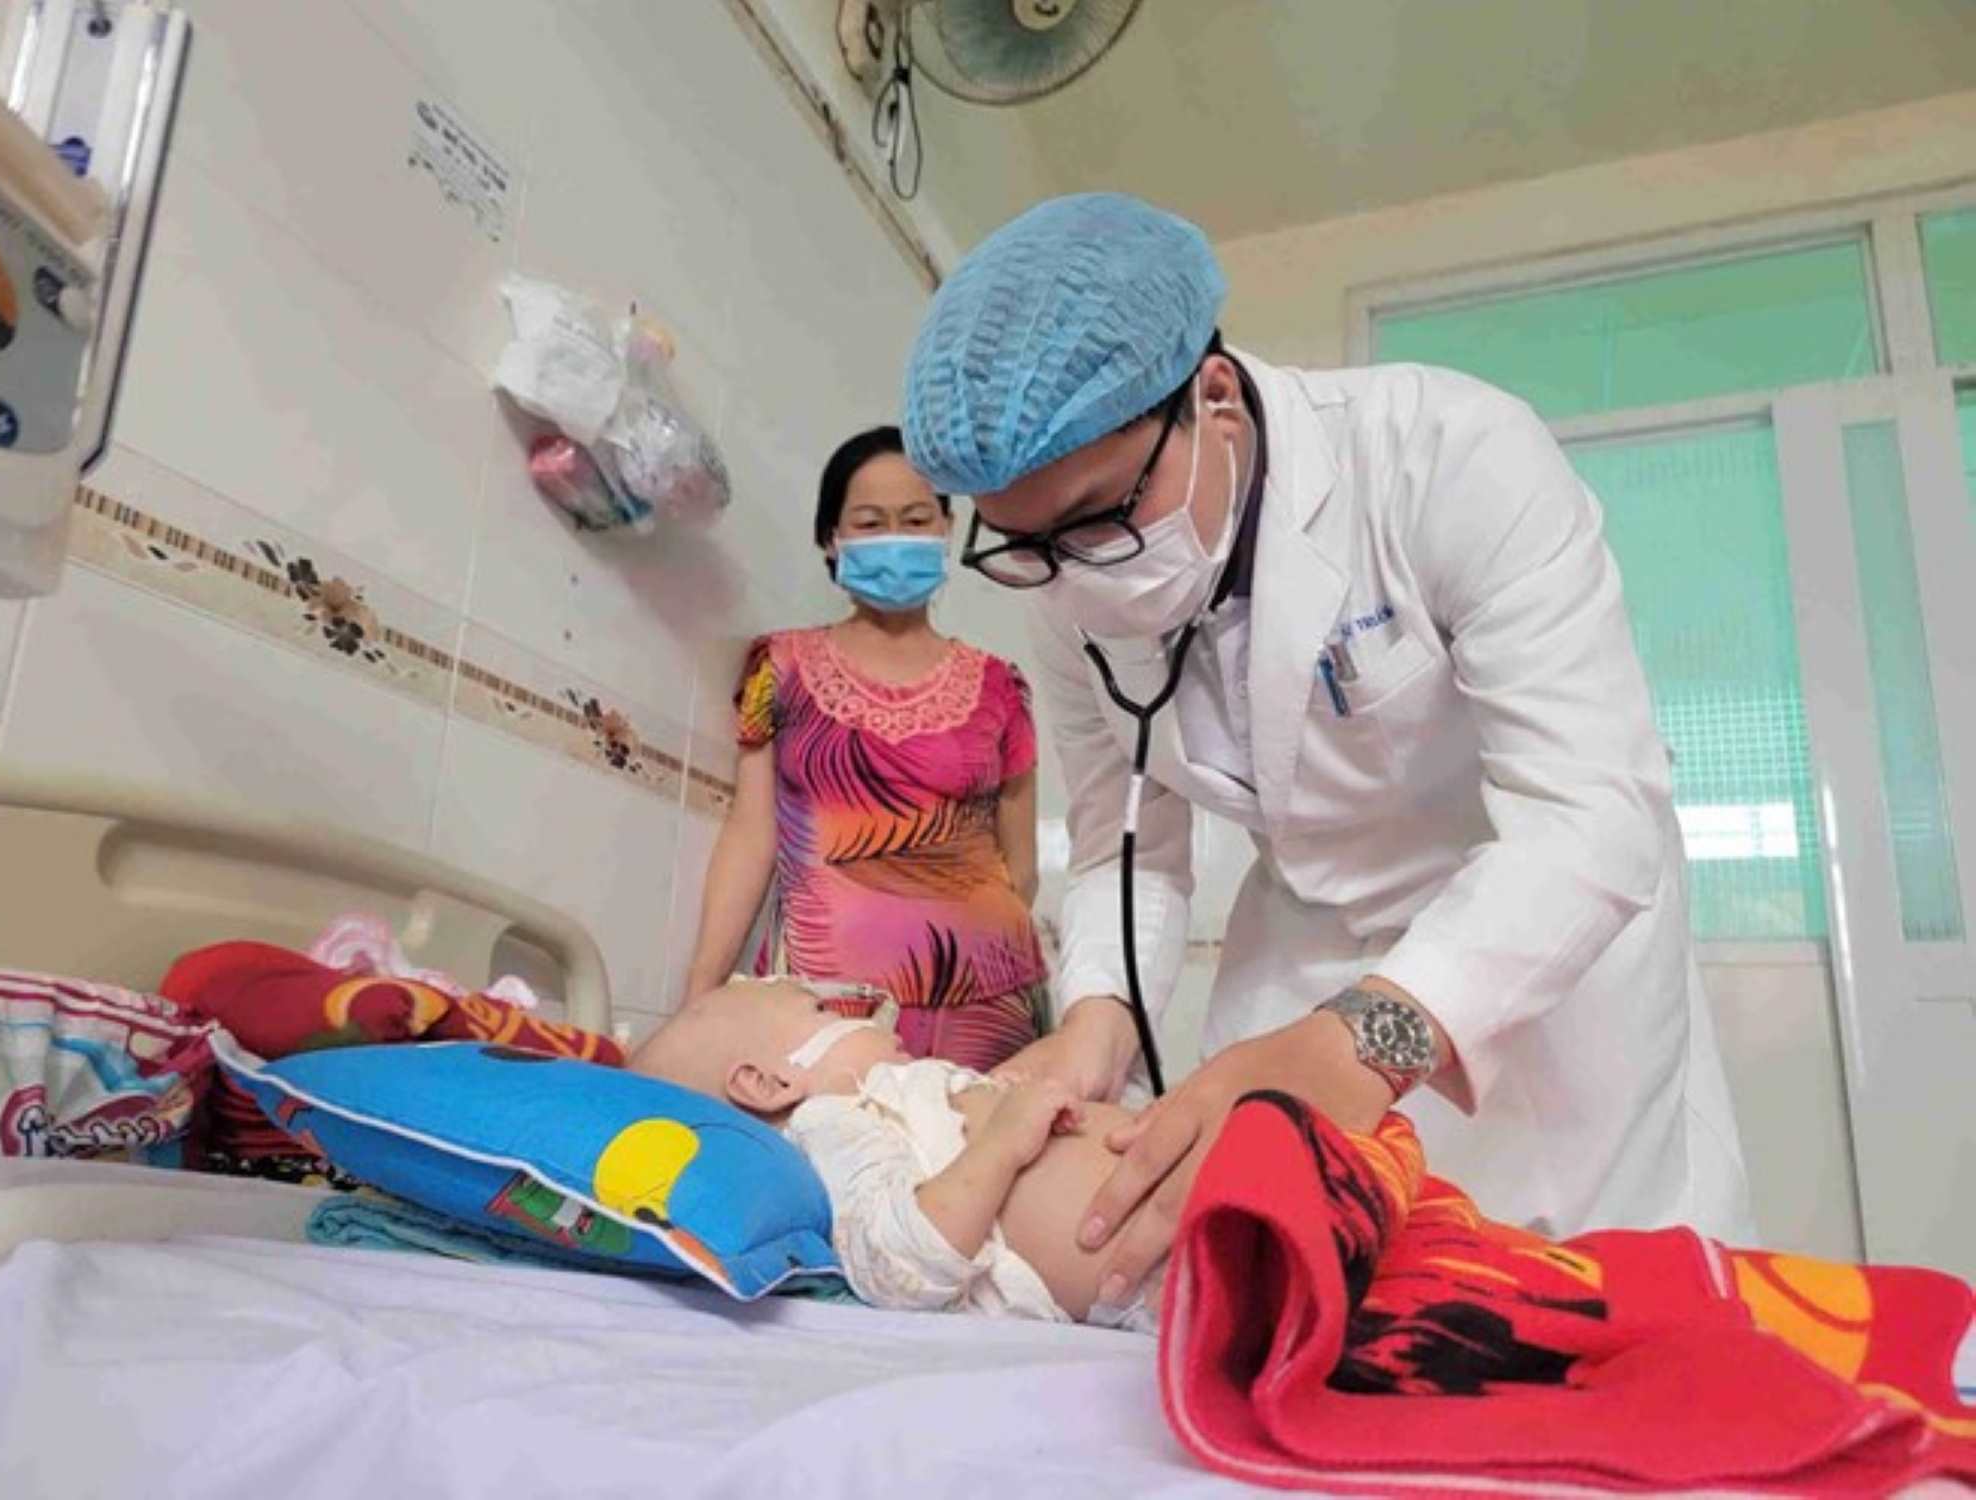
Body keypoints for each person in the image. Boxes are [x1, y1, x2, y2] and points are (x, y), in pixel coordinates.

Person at [899, 192, 1754, 1319]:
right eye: (1026, 545)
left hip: (1534, 948)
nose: (1075, 577)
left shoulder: (1446, 458)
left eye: (1100, 517)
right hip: (1304, 945)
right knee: (1303, 1309)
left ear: (1212, 397)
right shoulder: (1068, 592)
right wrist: (1097, 1016)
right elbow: (1124, 843)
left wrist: (1362, 1039)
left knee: (1577, 1316)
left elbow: (1593, 814)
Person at [680, 427, 1048, 1072]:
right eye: (871, 523)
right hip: (823, 999)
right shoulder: (780, 665)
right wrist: (699, 999)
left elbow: (1022, 868)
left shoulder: (1002, 686)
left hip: (988, 1009)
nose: (895, 539)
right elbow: (750, 835)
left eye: (916, 519)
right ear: (832, 539)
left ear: (947, 528)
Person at [635, 974, 1160, 1330]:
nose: (873, 1018)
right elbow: (896, 1266)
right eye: (821, 1009)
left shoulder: (890, 1099)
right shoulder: (833, 1122)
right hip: (1163, 1263)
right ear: (768, 1083)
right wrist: (1003, 1142)